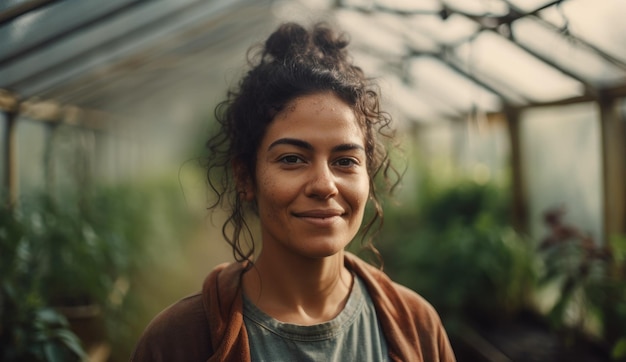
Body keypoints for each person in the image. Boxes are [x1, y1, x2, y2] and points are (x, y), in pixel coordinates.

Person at [132, 21, 456, 362]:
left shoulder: (417, 327)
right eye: (292, 159)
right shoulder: (178, 342)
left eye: (345, 161)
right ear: (245, 178)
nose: (324, 185)